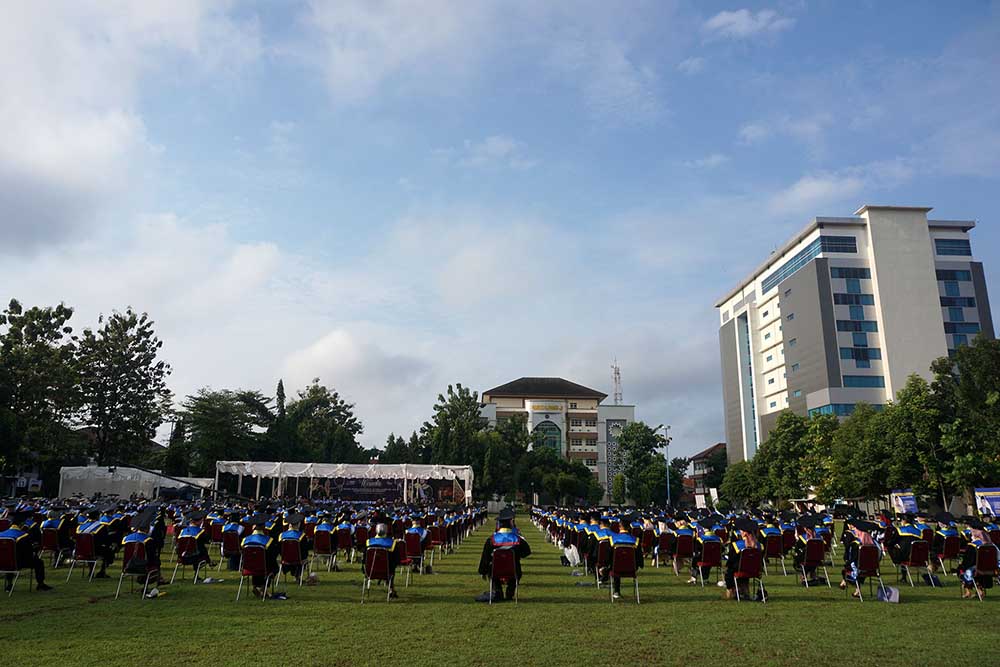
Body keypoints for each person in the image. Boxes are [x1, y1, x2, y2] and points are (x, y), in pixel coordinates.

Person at [476, 508, 531, 602]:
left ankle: (498, 592)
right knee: (516, 567)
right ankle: (510, 593)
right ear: (511, 525)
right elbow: (527, 552)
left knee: (491, 569)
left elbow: (485, 557)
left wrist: (482, 571)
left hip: (495, 571)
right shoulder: (518, 540)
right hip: (514, 571)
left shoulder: (491, 540)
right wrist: (517, 555)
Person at [1, 509, 53, 592]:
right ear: (21, 524)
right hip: (18, 563)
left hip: (2, 562)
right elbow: (28, 553)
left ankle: (9, 584)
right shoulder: (23, 535)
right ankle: (41, 584)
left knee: (8, 558)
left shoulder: (1, 534)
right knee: (39, 562)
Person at [241, 517, 279, 599]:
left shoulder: (245, 540)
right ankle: (263, 588)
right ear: (264, 527)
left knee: (255, 563)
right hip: (263, 568)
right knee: (272, 566)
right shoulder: (269, 540)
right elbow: (272, 556)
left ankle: (256, 586)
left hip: (248, 568)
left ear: (254, 526)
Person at [724, 521, 761, 601]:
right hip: (755, 571)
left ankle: (732, 592)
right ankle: (744, 591)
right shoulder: (759, 545)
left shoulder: (737, 545)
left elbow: (731, 561)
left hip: (740, 570)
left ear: (744, 533)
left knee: (730, 570)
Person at [608, 515, 643, 600]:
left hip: (616, 568)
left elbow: (609, 556)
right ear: (629, 527)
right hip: (632, 569)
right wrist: (639, 565)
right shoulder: (635, 540)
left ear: (619, 526)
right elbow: (639, 556)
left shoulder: (613, 539)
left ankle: (616, 591)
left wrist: (606, 566)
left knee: (616, 563)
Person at [365, 523, 401, 599]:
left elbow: (365, 559)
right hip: (387, 571)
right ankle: (391, 588)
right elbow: (396, 559)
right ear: (386, 531)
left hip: (370, 571)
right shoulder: (392, 543)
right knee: (391, 566)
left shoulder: (369, 542)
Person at [278, 513, 311, 583]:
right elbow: (305, 551)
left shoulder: (282, 535)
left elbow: (279, 549)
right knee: (302, 557)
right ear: (298, 524)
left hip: (285, 560)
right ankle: (297, 576)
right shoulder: (302, 536)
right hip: (298, 560)